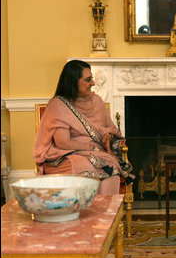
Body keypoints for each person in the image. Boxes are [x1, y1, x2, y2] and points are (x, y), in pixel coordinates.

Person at [33, 60, 135, 195]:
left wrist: (107, 136)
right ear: (73, 82)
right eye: (88, 80)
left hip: (96, 153)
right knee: (94, 165)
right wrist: (92, 148)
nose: (92, 83)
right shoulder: (59, 105)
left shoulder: (97, 101)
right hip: (66, 155)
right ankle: (84, 211)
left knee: (109, 169)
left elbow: (111, 129)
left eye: (91, 78)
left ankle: (105, 213)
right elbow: (63, 142)